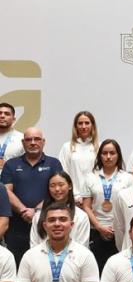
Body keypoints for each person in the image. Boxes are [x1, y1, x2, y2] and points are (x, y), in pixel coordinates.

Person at [1, 127, 63, 265]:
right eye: (29, 139)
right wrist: (24, 210)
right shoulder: (11, 164)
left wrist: (35, 211)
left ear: (43, 142)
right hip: (16, 226)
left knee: (44, 264)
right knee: (17, 263)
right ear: (23, 143)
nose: (33, 142)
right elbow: (5, 191)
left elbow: (58, 191)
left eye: (37, 139)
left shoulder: (54, 163)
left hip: (45, 224)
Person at [82, 139, 133, 272]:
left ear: (118, 155)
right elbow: (86, 206)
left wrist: (118, 227)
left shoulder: (128, 178)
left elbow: (131, 206)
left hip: (120, 231)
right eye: (104, 153)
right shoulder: (90, 177)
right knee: (98, 269)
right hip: (96, 230)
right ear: (99, 155)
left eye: (112, 153)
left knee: (120, 270)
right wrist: (99, 227)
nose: (108, 157)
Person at [30, 171, 90, 248]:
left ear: (70, 186)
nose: (57, 189)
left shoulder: (81, 216)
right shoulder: (38, 216)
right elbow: (34, 246)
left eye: (61, 185)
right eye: (52, 186)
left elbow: (83, 248)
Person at [58, 111, 98, 203]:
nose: (83, 126)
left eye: (87, 123)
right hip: (72, 199)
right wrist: (73, 196)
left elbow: (101, 174)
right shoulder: (67, 147)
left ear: (92, 125)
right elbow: (63, 173)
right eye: (80, 123)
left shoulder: (99, 147)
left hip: (95, 199)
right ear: (75, 126)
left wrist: (90, 197)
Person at [0, 102, 24, 168]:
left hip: (12, 174)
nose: (2, 116)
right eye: (0, 113)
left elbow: (28, 164)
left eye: (7, 114)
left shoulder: (22, 138)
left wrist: (8, 165)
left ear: (13, 119)